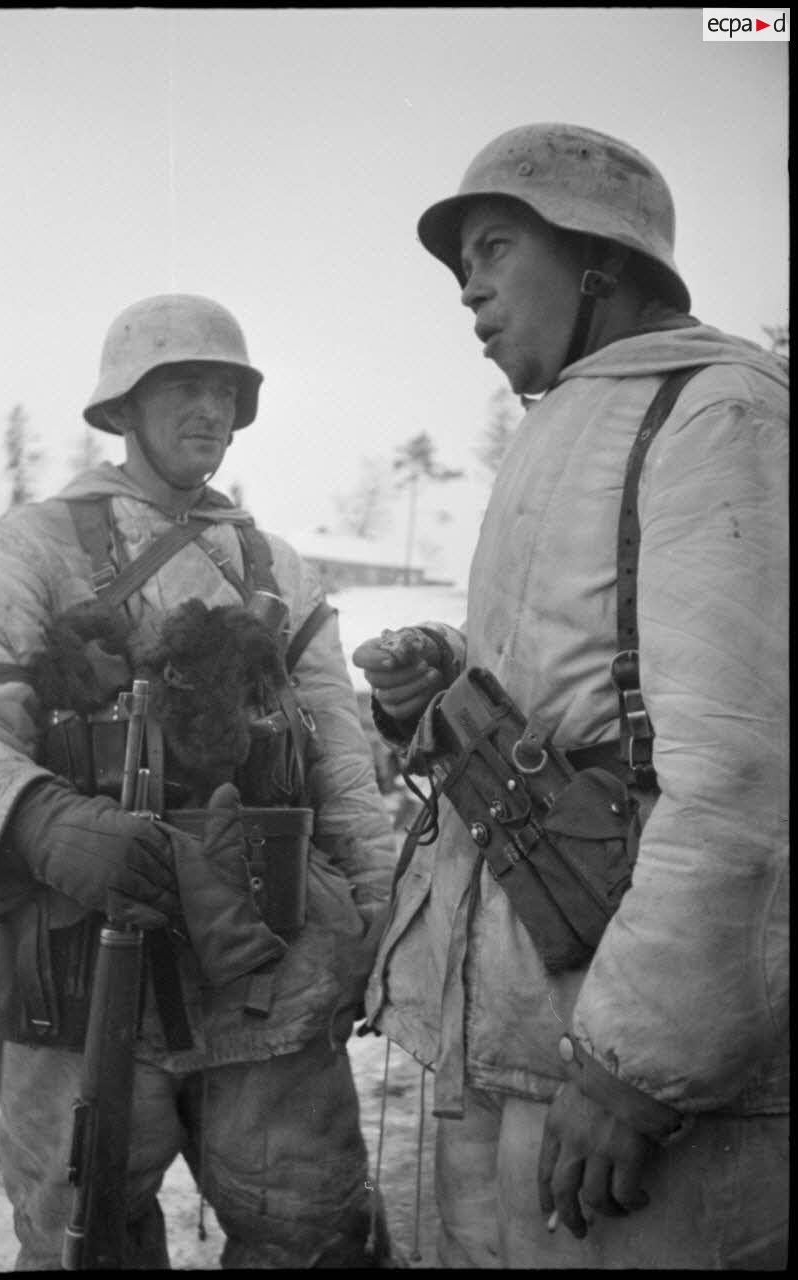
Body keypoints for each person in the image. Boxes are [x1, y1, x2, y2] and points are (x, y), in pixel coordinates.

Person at [353, 123, 788, 1269]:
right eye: (464, 266)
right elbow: (588, 687)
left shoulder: (718, 412)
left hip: (633, 1080)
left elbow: (745, 769)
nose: (469, 288)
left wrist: (638, 1062)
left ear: (602, 255)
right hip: (528, 1048)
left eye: (496, 247)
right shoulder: (575, 420)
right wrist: (446, 678)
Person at [0, 292, 399, 1269]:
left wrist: (378, 910)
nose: (210, 409)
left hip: (269, 971)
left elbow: (337, 756)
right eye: (183, 386)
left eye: (226, 392)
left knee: (312, 1232)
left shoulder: (279, 568)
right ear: (123, 407)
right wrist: (41, 822)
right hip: (82, 970)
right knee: (84, 1240)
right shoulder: (29, 549)